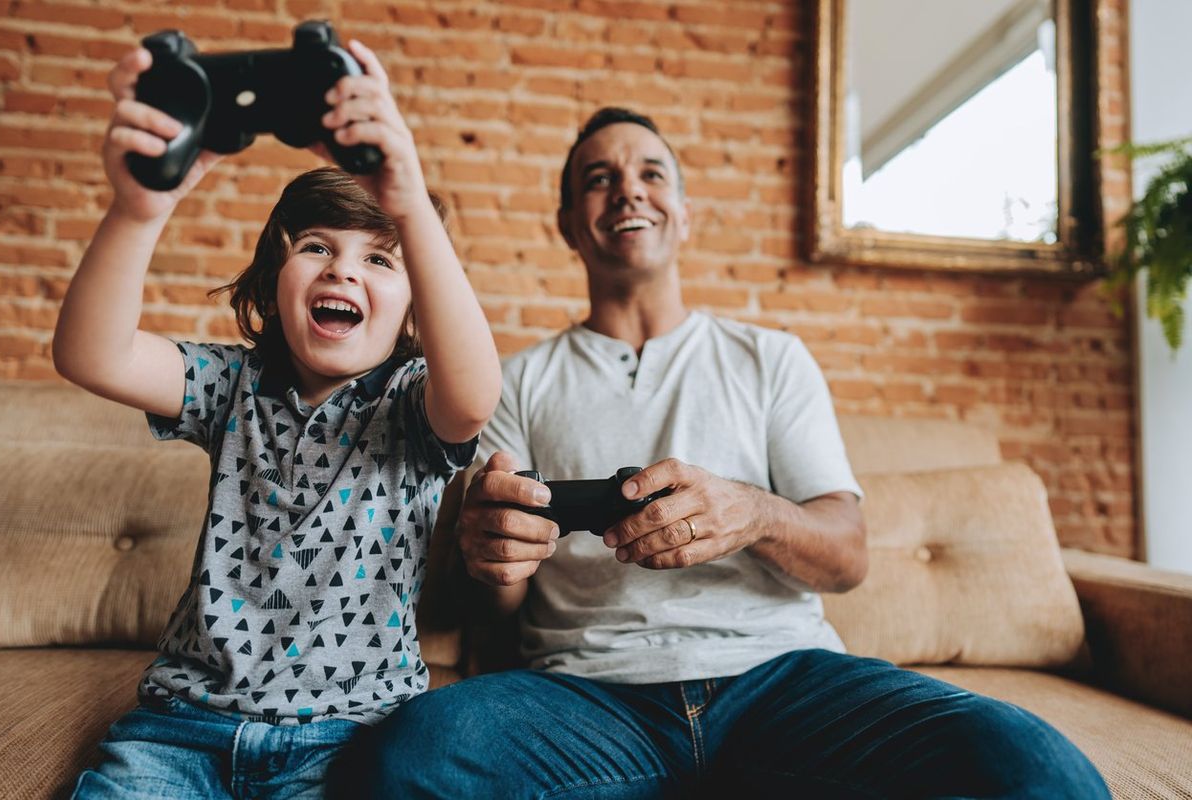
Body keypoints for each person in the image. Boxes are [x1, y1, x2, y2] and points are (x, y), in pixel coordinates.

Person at [363, 108, 1110, 798]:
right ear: (567, 223)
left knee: (1035, 765)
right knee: (413, 755)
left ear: (684, 215)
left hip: (783, 681)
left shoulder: (771, 361)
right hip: (589, 698)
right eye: (600, 179)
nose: (629, 191)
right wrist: (493, 555)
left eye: (651, 174)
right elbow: (498, 610)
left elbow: (848, 557)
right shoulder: (516, 382)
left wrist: (754, 513)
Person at [53, 39, 500, 799]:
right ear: (272, 281)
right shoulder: (234, 385)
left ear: (415, 299)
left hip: (348, 739)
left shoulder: (414, 403)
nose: (342, 270)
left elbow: (474, 398)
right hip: (183, 730)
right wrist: (139, 210)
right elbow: (91, 355)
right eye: (317, 248)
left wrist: (410, 206)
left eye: (380, 259)